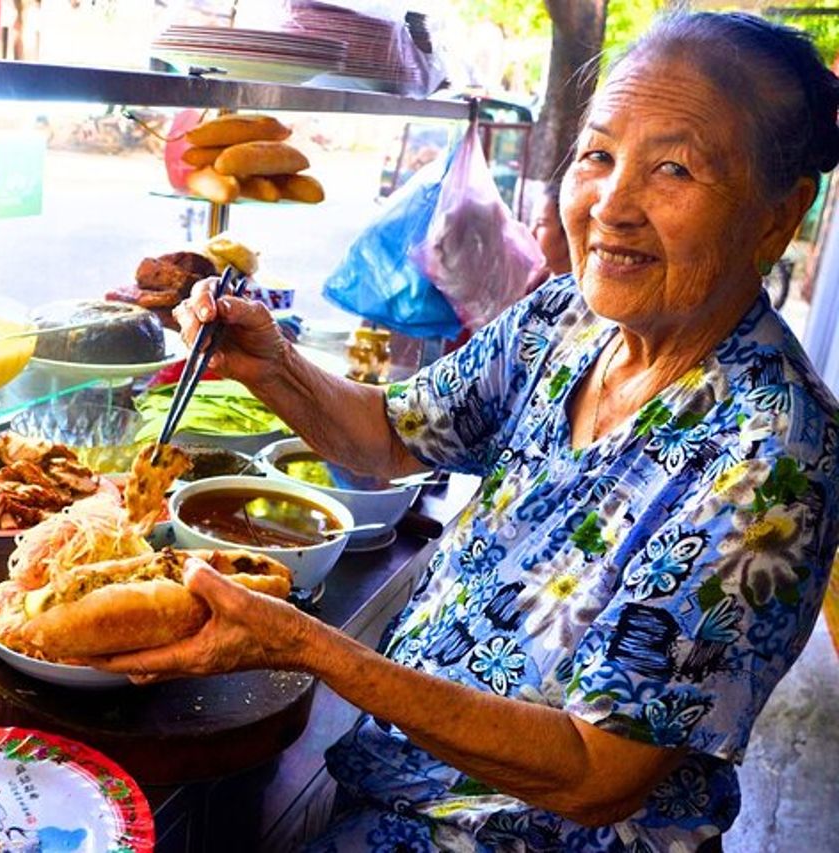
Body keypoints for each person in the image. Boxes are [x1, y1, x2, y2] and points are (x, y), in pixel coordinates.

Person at [97, 12, 839, 851]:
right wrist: (274, 366)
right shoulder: (564, 321)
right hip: (403, 782)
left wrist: (310, 646)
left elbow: (597, 775)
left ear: (779, 217)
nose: (611, 205)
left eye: (674, 167)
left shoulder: (775, 459)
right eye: (597, 154)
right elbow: (391, 433)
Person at [526, 179, 573, 293]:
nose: (531, 233)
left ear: (568, 232)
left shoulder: (579, 297)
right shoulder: (538, 281)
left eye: (541, 224)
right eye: (532, 222)